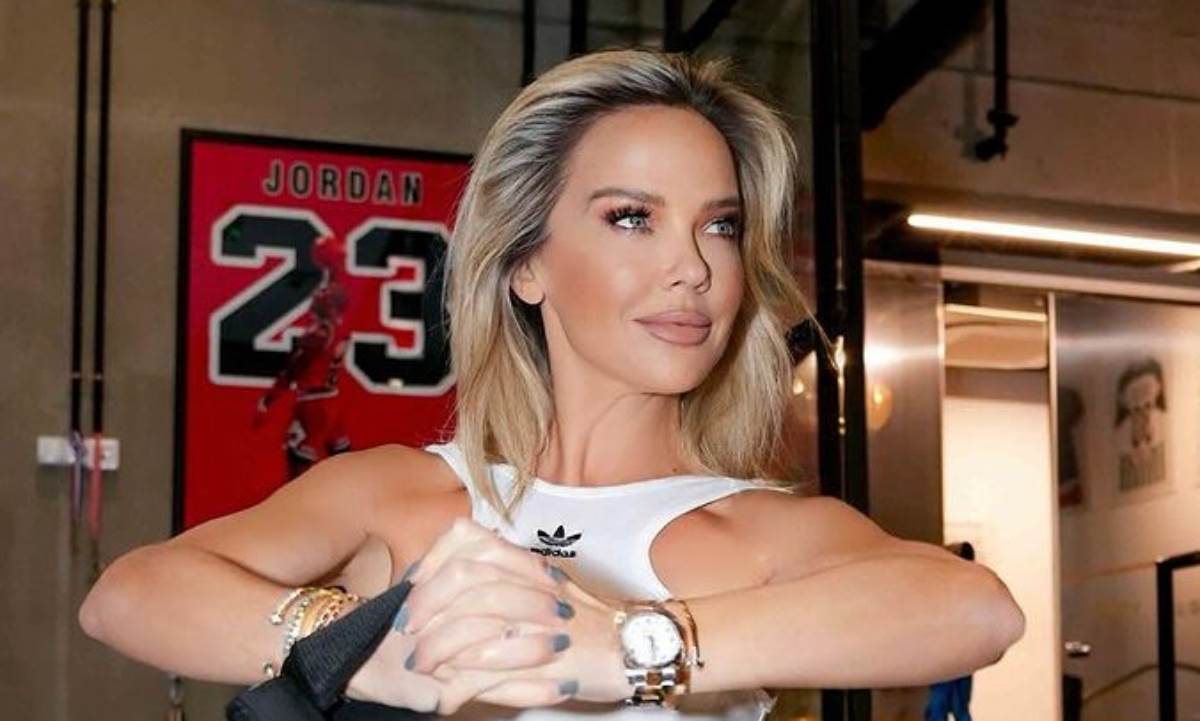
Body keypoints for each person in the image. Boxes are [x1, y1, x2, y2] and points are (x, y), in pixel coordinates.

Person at [78, 47, 1025, 720]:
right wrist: (353, 643)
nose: (693, 267)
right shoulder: (394, 493)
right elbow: (127, 594)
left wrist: (630, 646)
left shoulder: (760, 533)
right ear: (527, 263)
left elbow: (975, 610)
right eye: (632, 218)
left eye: (721, 225)